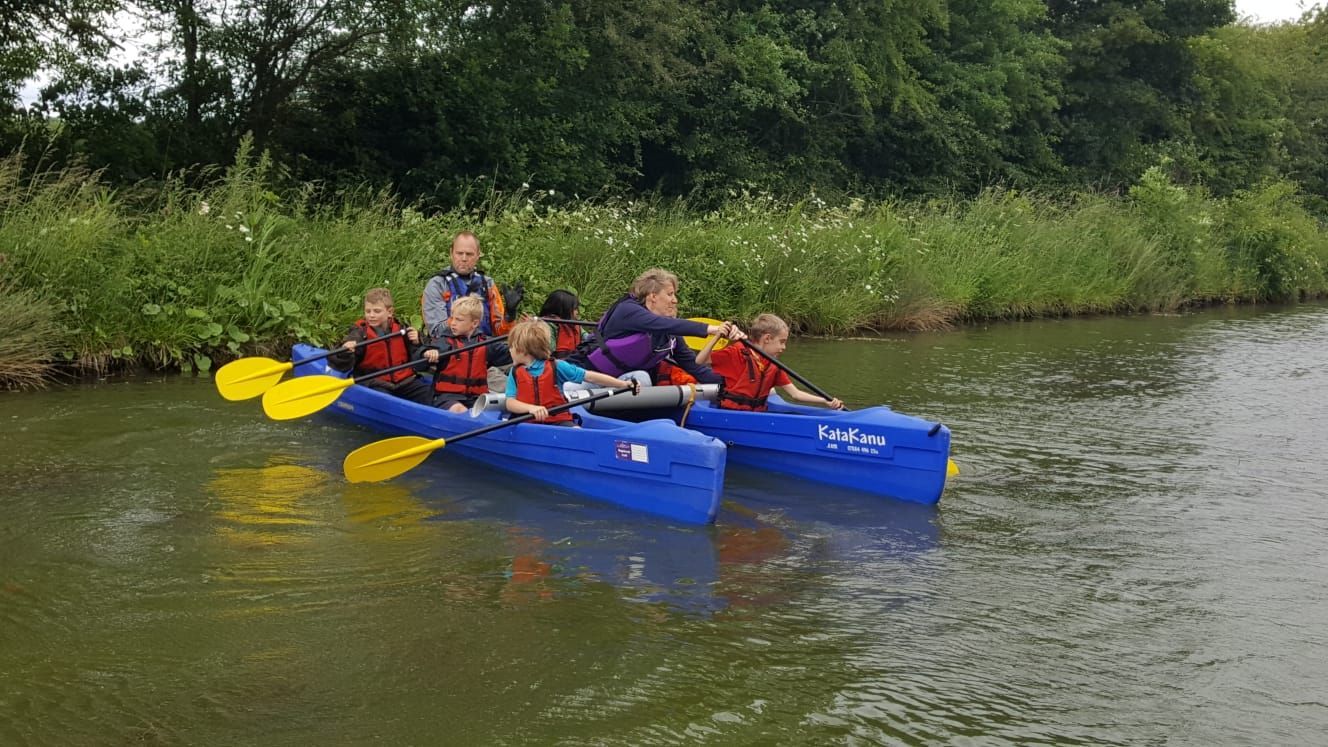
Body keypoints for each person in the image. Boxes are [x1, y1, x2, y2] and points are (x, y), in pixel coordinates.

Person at [566, 268, 734, 388]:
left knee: (642, 378)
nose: (675, 300)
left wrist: (730, 385)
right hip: (583, 374)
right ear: (653, 296)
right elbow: (661, 324)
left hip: (618, 381)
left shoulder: (670, 335)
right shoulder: (628, 310)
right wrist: (711, 329)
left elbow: (695, 367)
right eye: (670, 294)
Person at [695, 313, 844, 411]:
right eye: (782, 342)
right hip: (732, 414)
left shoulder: (773, 364)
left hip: (757, 415)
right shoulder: (736, 353)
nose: (784, 347)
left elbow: (796, 394)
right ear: (767, 339)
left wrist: (825, 401)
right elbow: (700, 360)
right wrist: (717, 335)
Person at [505, 318, 640, 426]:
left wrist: (623, 384)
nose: (509, 351)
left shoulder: (557, 366)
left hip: (557, 420)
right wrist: (531, 408)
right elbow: (510, 403)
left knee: (576, 430)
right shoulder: (515, 372)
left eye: (511, 347)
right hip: (526, 423)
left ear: (521, 349)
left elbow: (591, 377)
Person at [328, 287, 432, 405]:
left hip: (405, 381)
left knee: (430, 395)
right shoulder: (359, 334)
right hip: (375, 383)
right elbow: (340, 364)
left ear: (390, 312)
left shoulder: (402, 329)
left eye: (377, 311)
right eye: (368, 311)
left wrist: (418, 342)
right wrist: (345, 351)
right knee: (386, 402)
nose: (371, 315)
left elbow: (420, 361)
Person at [421, 231, 524, 339]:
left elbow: (502, 334)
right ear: (451, 253)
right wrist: (466, 312)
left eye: (469, 254)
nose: (464, 258)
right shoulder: (437, 284)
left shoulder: (487, 284)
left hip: (484, 347)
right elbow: (437, 331)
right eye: (459, 253)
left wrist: (510, 314)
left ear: (478, 255)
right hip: (451, 350)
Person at [422, 296, 512, 413]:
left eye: (459, 320)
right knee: (459, 410)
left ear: (474, 323)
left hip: (476, 397)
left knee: (500, 410)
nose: (453, 323)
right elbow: (421, 361)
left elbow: (512, 354)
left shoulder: (487, 343)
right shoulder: (444, 342)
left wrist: (528, 347)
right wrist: (427, 354)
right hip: (447, 397)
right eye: (452, 318)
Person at [537, 289, 589, 359]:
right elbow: (549, 350)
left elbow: (588, 338)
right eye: (575, 309)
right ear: (564, 310)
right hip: (555, 364)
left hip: (571, 362)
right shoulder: (548, 325)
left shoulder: (573, 325)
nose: (577, 312)